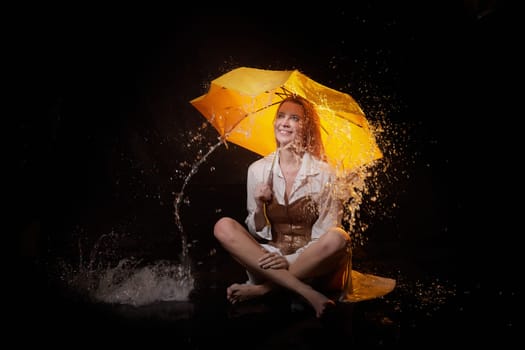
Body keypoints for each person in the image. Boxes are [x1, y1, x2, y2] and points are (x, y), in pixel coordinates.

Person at [213, 95, 353, 318]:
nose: (284, 123)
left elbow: (325, 234)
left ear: (306, 127)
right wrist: (259, 206)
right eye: (281, 116)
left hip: (311, 262)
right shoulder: (257, 170)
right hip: (270, 257)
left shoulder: (325, 173)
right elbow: (257, 231)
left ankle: (263, 290)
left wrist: (288, 261)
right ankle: (304, 291)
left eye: (294, 118)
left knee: (339, 237)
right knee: (223, 226)